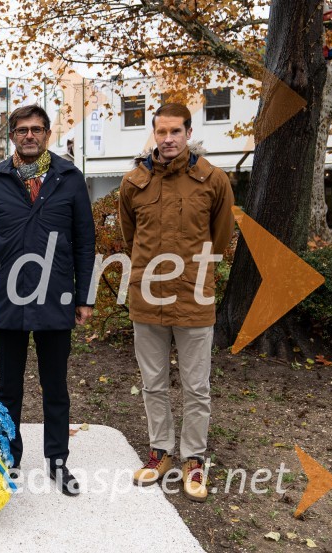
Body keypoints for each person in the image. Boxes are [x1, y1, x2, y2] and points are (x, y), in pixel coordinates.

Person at [0, 105, 95, 496]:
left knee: (55, 385)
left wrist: (84, 296)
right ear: (12, 135)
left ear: (47, 134)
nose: (29, 135)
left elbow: (85, 243)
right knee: (9, 387)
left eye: (37, 129)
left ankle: (57, 461)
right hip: (7, 298)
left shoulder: (69, 179)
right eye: (22, 130)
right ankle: (9, 457)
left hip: (56, 297)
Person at [119, 103, 234, 502]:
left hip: (194, 296)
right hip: (147, 298)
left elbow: (220, 238)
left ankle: (194, 459)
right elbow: (129, 235)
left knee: (196, 385)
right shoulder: (133, 183)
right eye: (161, 132)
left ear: (188, 133)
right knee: (152, 383)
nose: (168, 139)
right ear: (154, 133)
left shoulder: (213, 180)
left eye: (175, 132)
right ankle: (159, 451)